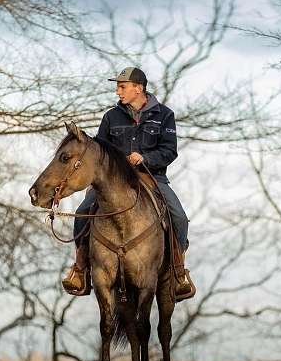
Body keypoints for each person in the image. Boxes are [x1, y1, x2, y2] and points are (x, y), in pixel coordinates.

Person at [62, 67, 193, 298]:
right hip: (113, 181)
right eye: (118, 87)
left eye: (122, 87)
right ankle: (80, 269)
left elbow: (169, 151)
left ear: (138, 88)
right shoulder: (111, 116)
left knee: (179, 217)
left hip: (152, 177)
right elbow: (98, 151)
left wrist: (146, 158)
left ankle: (178, 271)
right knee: (83, 212)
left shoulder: (165, 115)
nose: (118, 91)